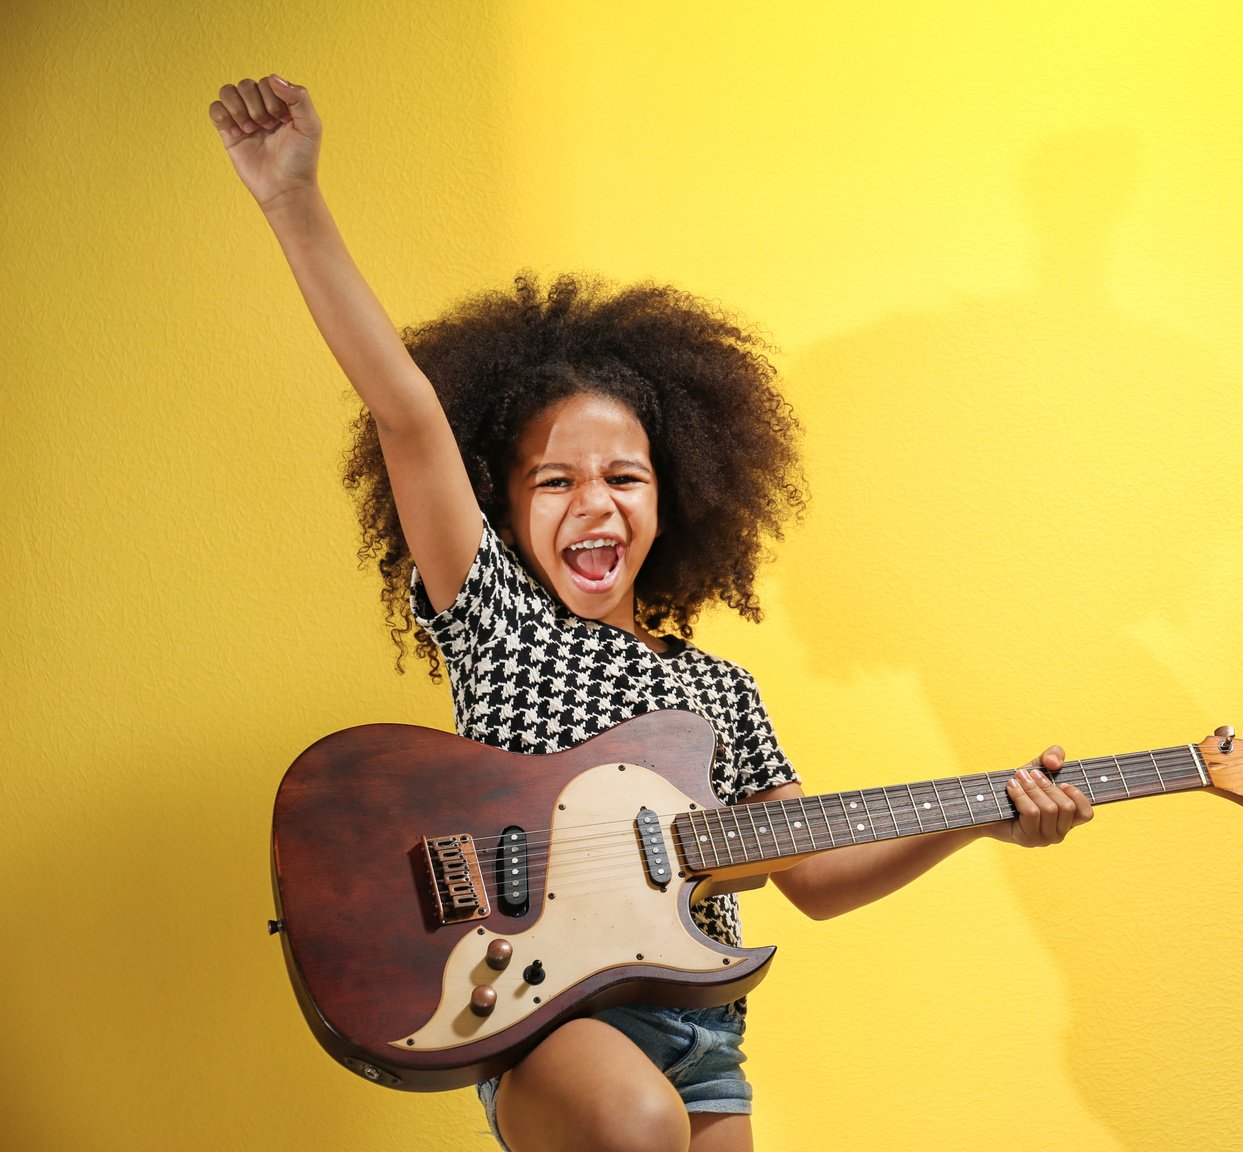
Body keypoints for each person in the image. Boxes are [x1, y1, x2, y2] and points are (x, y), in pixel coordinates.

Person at [210, 74, 1093, 1152]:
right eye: (554, 482)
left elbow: (808, 876)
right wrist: (291, 196)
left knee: (672, 1121)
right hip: (544, 1009)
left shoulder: (720, 692)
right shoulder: (500, 619)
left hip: (704, 1034)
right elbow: (405, 415)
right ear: (506, 506)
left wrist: (983, 813)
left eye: (624, 477)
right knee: (635, 1127)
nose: (594, 503)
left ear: (673, 495)